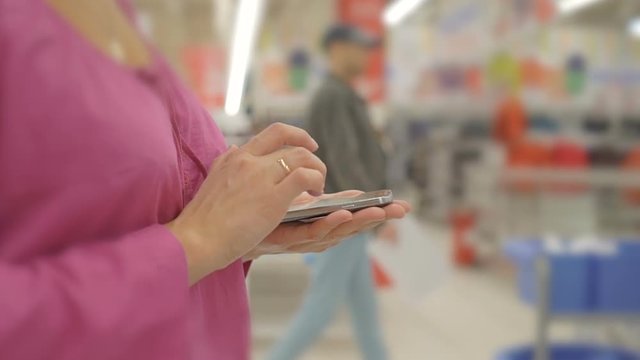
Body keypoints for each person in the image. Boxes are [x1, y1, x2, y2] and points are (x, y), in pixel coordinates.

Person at [0, 2, 410, 359]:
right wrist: (196, 242)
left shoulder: (127, 33)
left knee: (348, 310)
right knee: (326, 308)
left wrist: (243, 236)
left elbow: (137, 213)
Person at [269, 24, 393, 360]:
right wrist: (379, 209)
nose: (367, 54)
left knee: (366, 316)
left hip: (349, 218)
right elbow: (345, 157)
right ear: (337, 48)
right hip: (343, 216)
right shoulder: (333, 96)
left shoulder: (342, 93)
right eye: (359, 46)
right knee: (318, 313)